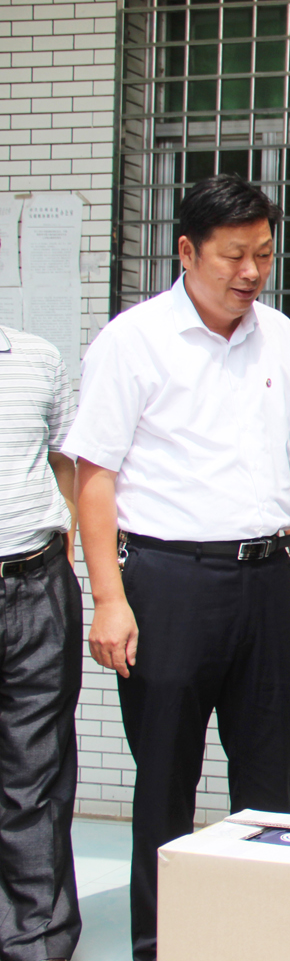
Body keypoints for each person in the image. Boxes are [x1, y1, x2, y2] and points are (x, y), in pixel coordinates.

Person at [65, 175, 290, 961]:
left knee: (268, 780)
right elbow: (95, 474)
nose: (250, 272)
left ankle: (258, 939)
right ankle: (161, 943)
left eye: (264, 255)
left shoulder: (278, 335)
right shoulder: (133, 341)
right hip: (168, 583)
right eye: (233, 255)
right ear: (186, 251)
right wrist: (108, 599)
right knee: (165, 780)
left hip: (264, 578)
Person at [0, 326, 81, 961]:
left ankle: (35, 942)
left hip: (35, 580)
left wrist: (70, 540)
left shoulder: (37, 357)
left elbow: (66, 458)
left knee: (37, 771)